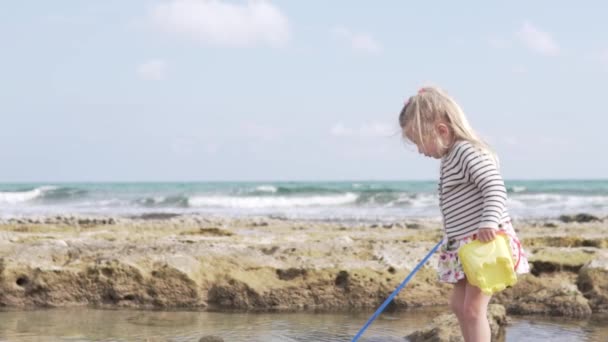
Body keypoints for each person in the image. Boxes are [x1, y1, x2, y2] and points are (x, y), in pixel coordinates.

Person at [398, 86, 530, 342]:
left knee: (472, 310)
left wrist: (489, 220)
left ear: (442, 130)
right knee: (459, 307)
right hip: (464, 245)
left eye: (419, 141)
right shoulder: (450, 157)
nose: (419, 150)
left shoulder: (467, 151)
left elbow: (494, 187)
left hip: (485, 244)